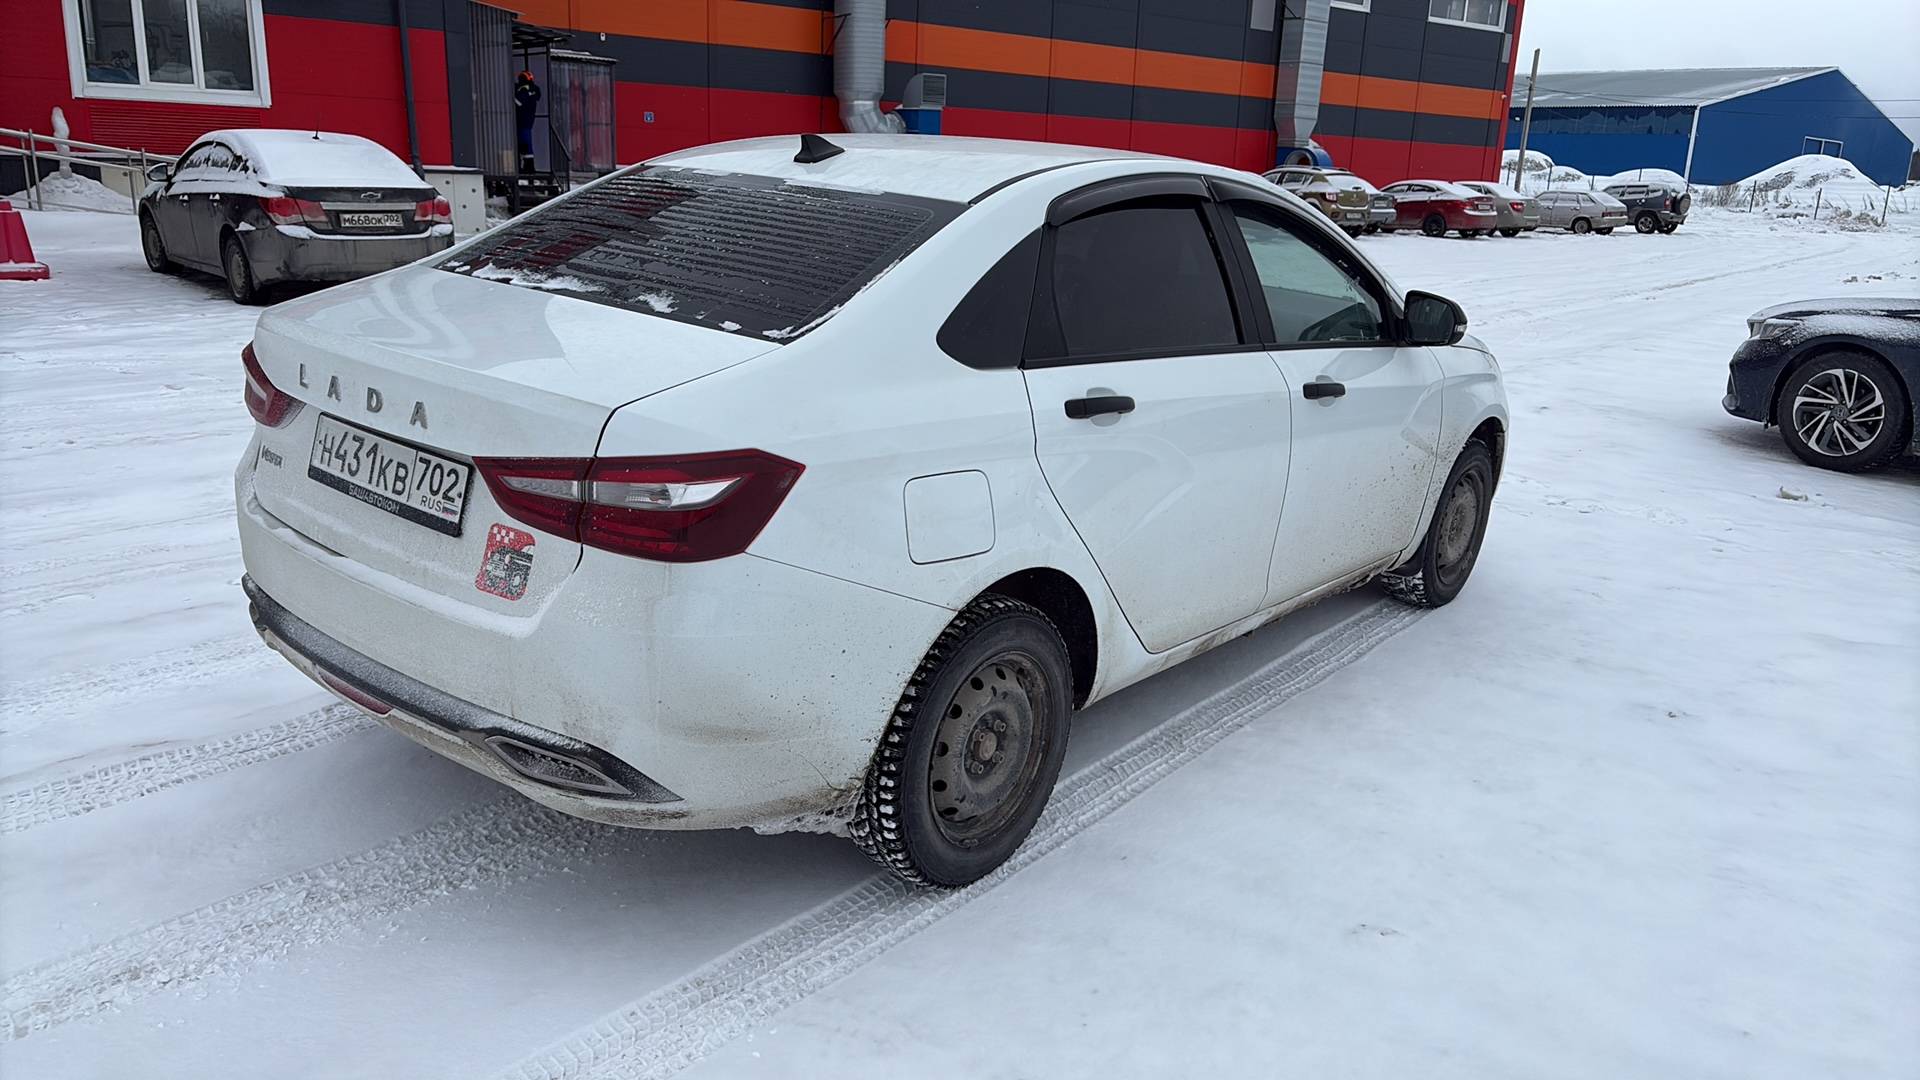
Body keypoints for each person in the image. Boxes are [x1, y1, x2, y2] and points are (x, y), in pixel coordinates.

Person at [514, 71, 542, 168]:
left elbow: (518, 102)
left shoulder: (524, 90)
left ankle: (528, 166)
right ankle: (528, 165)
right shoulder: (533, 89)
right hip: (529, 119)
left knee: (523, 143)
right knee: (526, 143)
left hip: (522, 119)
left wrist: (512, 95)